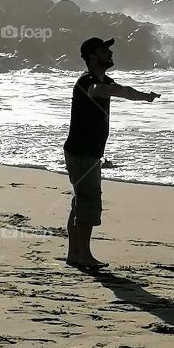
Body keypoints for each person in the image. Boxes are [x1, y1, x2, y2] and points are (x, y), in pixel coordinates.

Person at [63, 37, 160, 272]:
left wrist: (144, 97)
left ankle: (75, 254)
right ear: (93, 57)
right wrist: (137, 95)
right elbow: (105, 91)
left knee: (80, 201)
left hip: (86, 152)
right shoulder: (88, 82)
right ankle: (83, 255)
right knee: (88, 201)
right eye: (104, 50)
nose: (110, 53)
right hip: (82, 152)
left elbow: (118, 90)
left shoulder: (103, 81)